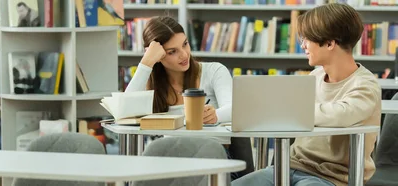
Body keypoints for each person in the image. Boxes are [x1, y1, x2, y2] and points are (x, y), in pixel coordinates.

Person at [232, 3, 381, 186]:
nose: (302, 45)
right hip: (287, 167)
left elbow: (342, 114)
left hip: (330, 177)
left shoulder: (366, 85)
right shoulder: (314, 77)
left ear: (329, 43)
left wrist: (291, 110)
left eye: (307, 39)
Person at [125, 16, 250, 179]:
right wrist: (146, 63)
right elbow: (125, 112)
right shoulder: (153, 85)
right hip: (171, 161)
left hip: (214, 159)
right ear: (158, 55)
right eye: (172, 52)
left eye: (185, 44)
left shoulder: (214, 71)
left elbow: (235, 108)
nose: (184, 55)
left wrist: (215, 115)